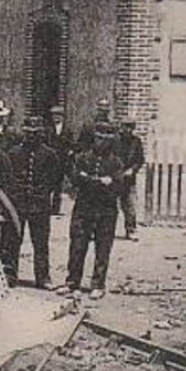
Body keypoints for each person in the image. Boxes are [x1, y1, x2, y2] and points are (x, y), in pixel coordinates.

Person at [0, 114, 61, 288]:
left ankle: (43, 278)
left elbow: (55, 178)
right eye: (28, 132)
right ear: (23, 132)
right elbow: (8, 178)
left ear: (41, 133)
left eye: (36, 132)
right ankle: (10, 275)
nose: (32, 135)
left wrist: (42, 194)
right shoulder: (14, 153)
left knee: (40, 243)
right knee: (12, 241)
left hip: (40, 206)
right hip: (17, 205)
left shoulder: (50, 155)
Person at [59, 120, 125, 299]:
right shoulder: (83, 158)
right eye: (98, 138)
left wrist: (89, 179)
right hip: (84, 207)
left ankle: (98, 284)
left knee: (102, 248)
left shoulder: (116, 162)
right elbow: (75, 179)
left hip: (106, 210)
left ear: (110, 141)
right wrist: (99, 181)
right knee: (77, 246)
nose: (100, 142)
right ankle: (72, 282)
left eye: (105, 139)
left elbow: (118, 185)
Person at [116, 120, 146, 240]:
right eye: (125, 127)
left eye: (130, 127)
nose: (127, 130)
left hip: (129, 179)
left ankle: (131, 229)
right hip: (115, 176)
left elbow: (140, 159)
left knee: (130, 205)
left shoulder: (136, 141)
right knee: (108, 205)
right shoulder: (115, 140)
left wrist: (132, 170)